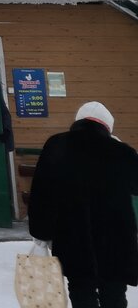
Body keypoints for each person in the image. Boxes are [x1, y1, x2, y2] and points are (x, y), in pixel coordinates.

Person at [28, 102, 138, 308]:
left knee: (81, 291)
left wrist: (41, 234)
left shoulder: (56, 145)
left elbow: (41, 194)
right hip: (116, 240)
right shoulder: (121, 151)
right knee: (114, 294)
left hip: (72, 237)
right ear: (108, 125)